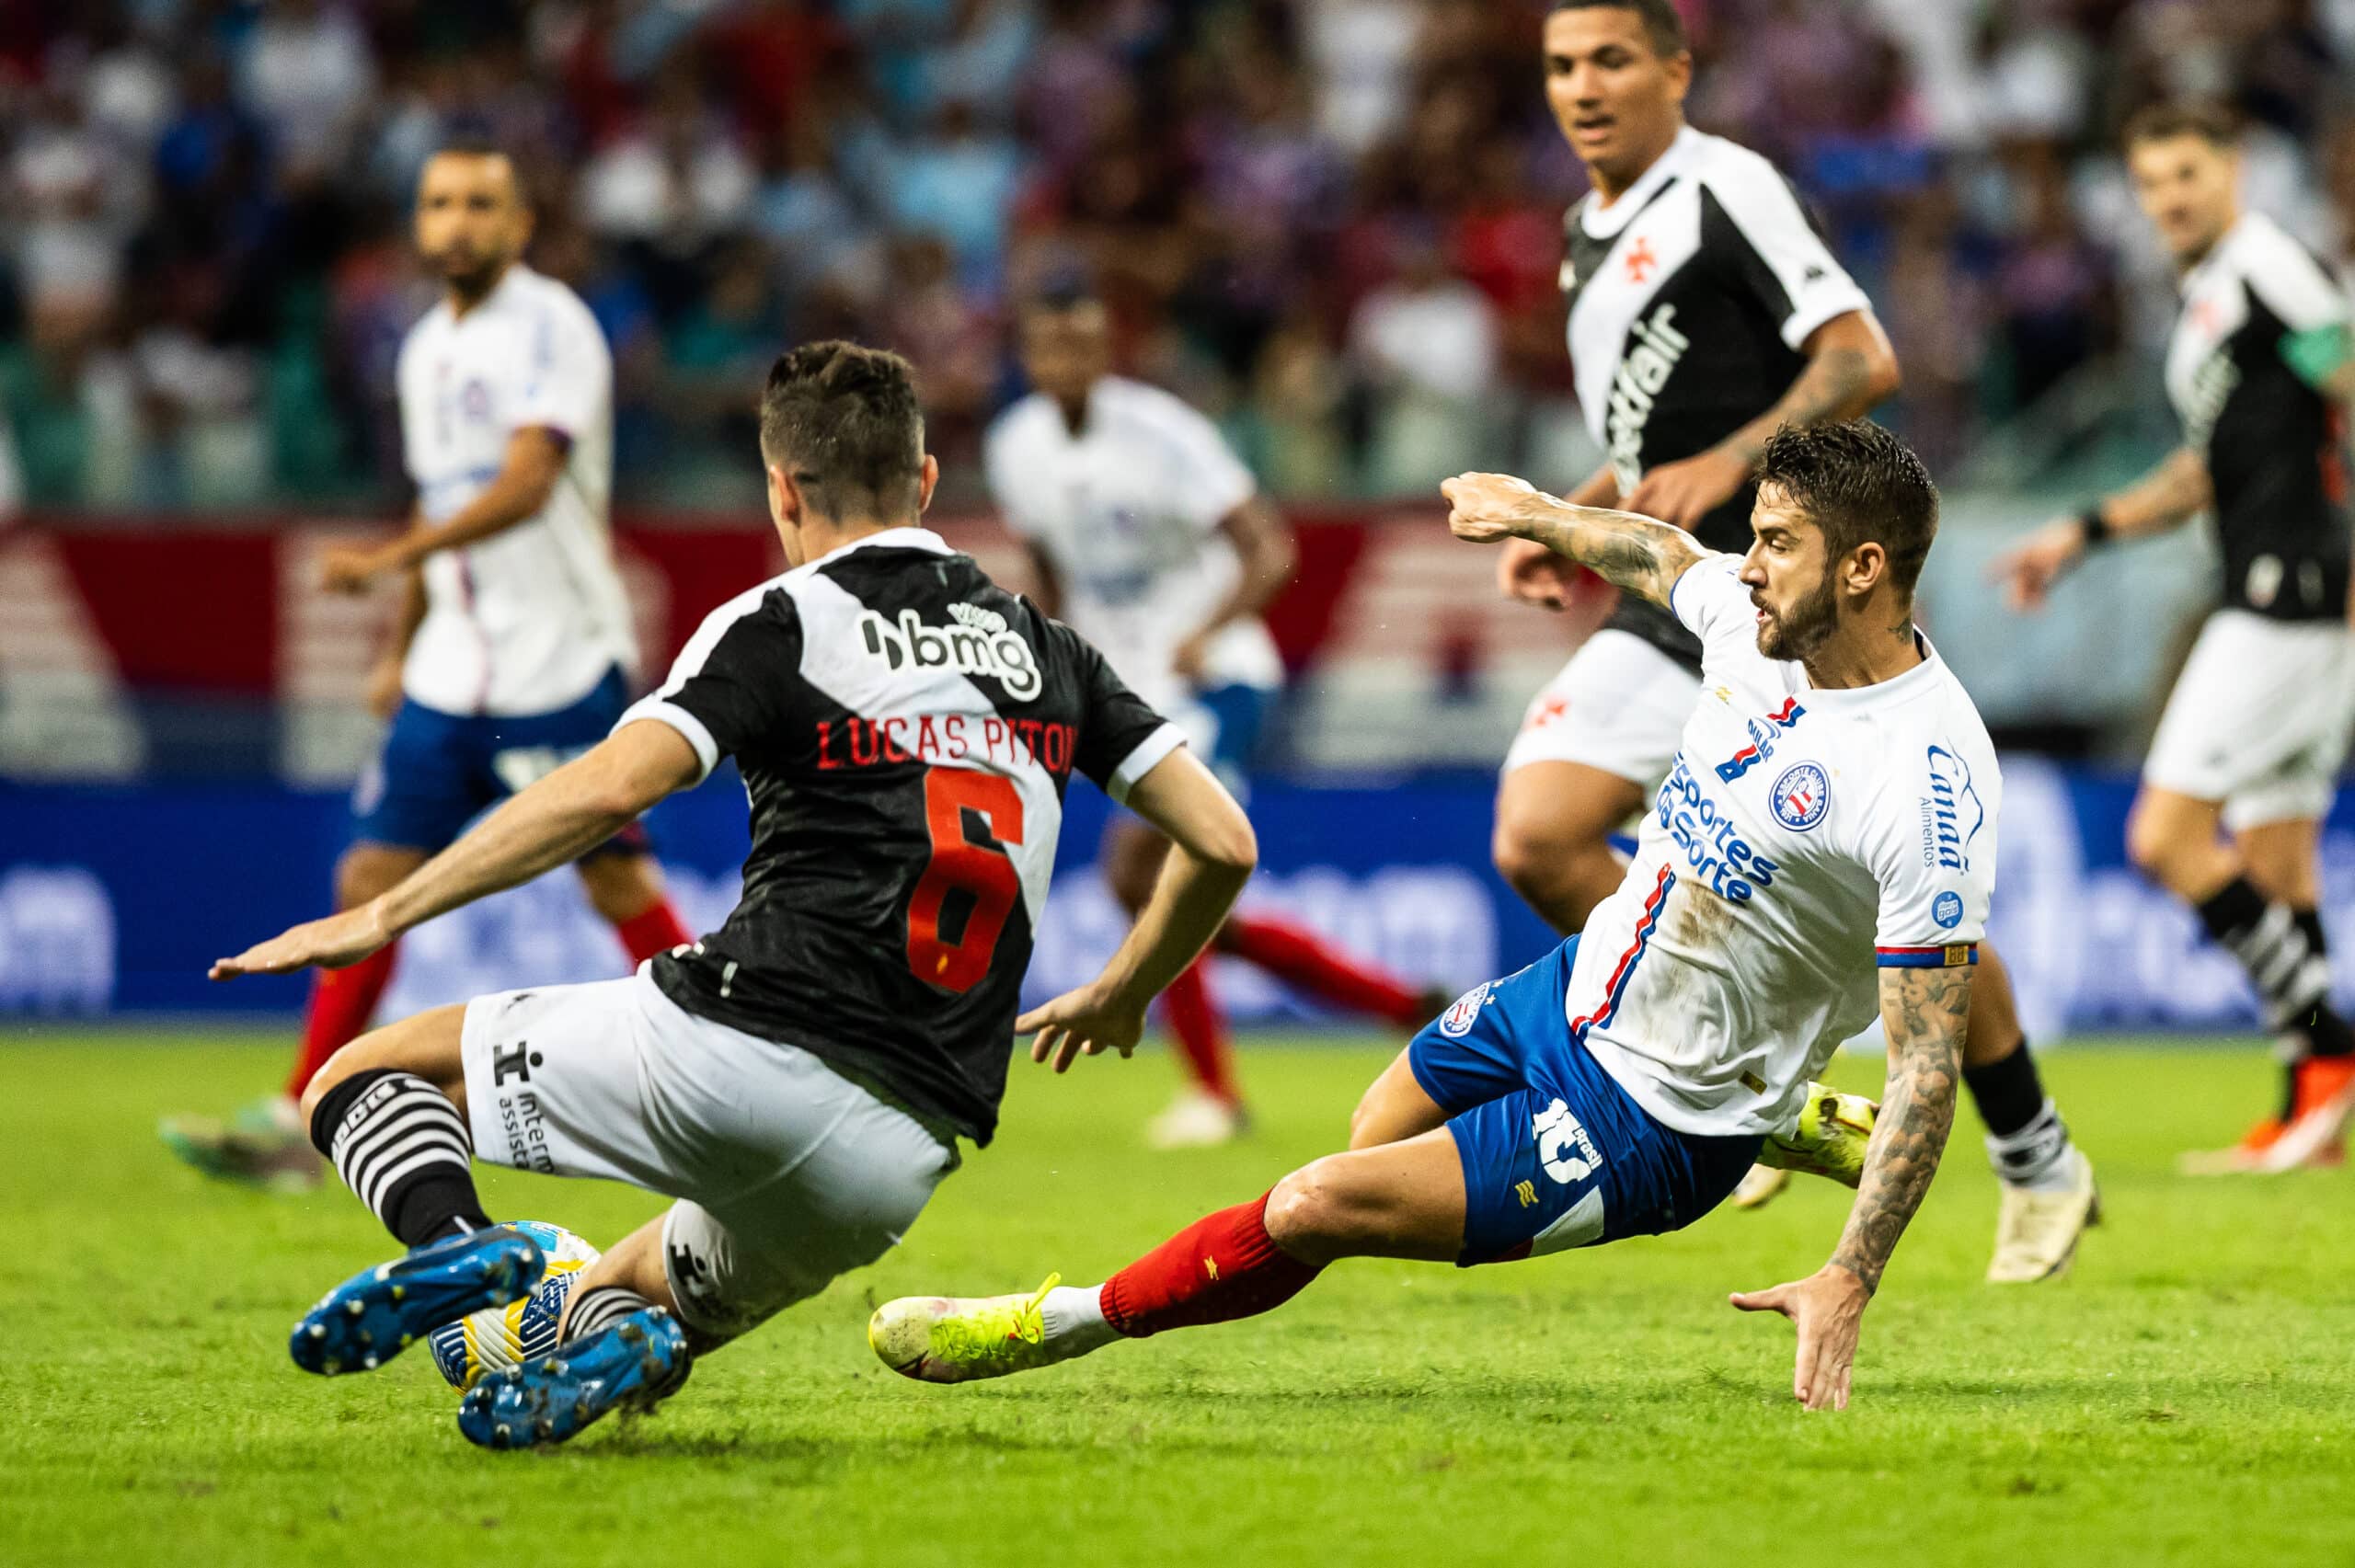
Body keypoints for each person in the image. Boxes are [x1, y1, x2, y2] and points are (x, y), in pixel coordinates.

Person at [210, 341, 1258, 1449]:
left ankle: (453, 1242)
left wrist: (384, 912)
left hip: (737, 1049)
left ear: (780, 488)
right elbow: (1224, 843)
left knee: (357, 1076)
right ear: (929, 480)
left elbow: (610, 787)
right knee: (611, 1300)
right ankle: (615, 1340)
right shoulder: (1050, 650)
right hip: (898, 1155)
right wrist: (1123, 991)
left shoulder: (782, 621)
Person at [872, 420, 1993, 1412]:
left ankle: (1051, 1321)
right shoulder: (1758, 632)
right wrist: (1534, 512)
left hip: (1653, 1117)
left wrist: (1847, 1276)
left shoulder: (1923, 779)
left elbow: (1929, 1063)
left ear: (1862, 568)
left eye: (1778, 545)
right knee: (1371, 1136)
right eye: (1752, 535)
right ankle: (1782, 1111)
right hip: (1572, 990)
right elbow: (1663, 555)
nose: (1748, 570)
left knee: (1316, 1204)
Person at [1492, 0, 2091, 1280]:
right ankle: (1761, 1074)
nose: (1584, 86)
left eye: (1611, 59)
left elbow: (1858, 354)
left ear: (1674, 70)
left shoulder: (1726, 189)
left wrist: (1720, 463)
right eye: (1561, 66)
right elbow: (1651, 440)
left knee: (1910, 892)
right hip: (1688, 595)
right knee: (1538, 835)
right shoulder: (1583, 238)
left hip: (1791, 598)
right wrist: (1580, 516)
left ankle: (2037, 1154)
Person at [162, 140, 692, 1189]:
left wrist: (391, 561)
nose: (457, 222)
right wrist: (401, 643)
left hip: (557, 657)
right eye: (439, 203)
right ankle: (302, 1113)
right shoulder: (420, 348)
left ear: (519, 223)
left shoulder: (556, 326)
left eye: (480, 204)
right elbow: (437, 501)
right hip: (451, 671)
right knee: (368, 876)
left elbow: (529, 484)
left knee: (614, 872)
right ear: (419, 221)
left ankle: (718, 1055)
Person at [986, 282, 1442, 1149]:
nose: (1066, 364)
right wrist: (1045, 660)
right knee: (1194, 907)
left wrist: (1210, 629)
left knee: (1142, 871)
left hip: (1220, 678)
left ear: (1105, 344)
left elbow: (1270, 547)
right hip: (1130, 690)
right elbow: (1049, 571)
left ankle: (1214, 1092)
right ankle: (1399, 1005)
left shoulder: (1164, 434)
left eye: (1082, 344)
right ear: (1030, 355)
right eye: (1048, 349)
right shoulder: (1018, 447)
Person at [1993, 101, 2355, 1174]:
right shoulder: (2209, 296)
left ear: (2234, 170)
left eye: (2189, 174)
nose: (2171, 199)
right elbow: (2209, 467)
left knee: (2165, 837)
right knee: (2279, 851)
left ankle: (2333, 1057)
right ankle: (2310, 1111)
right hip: (2279, 588)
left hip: (2284, 588)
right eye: (2152, 183)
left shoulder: (2267, 267)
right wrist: (2084, 530)